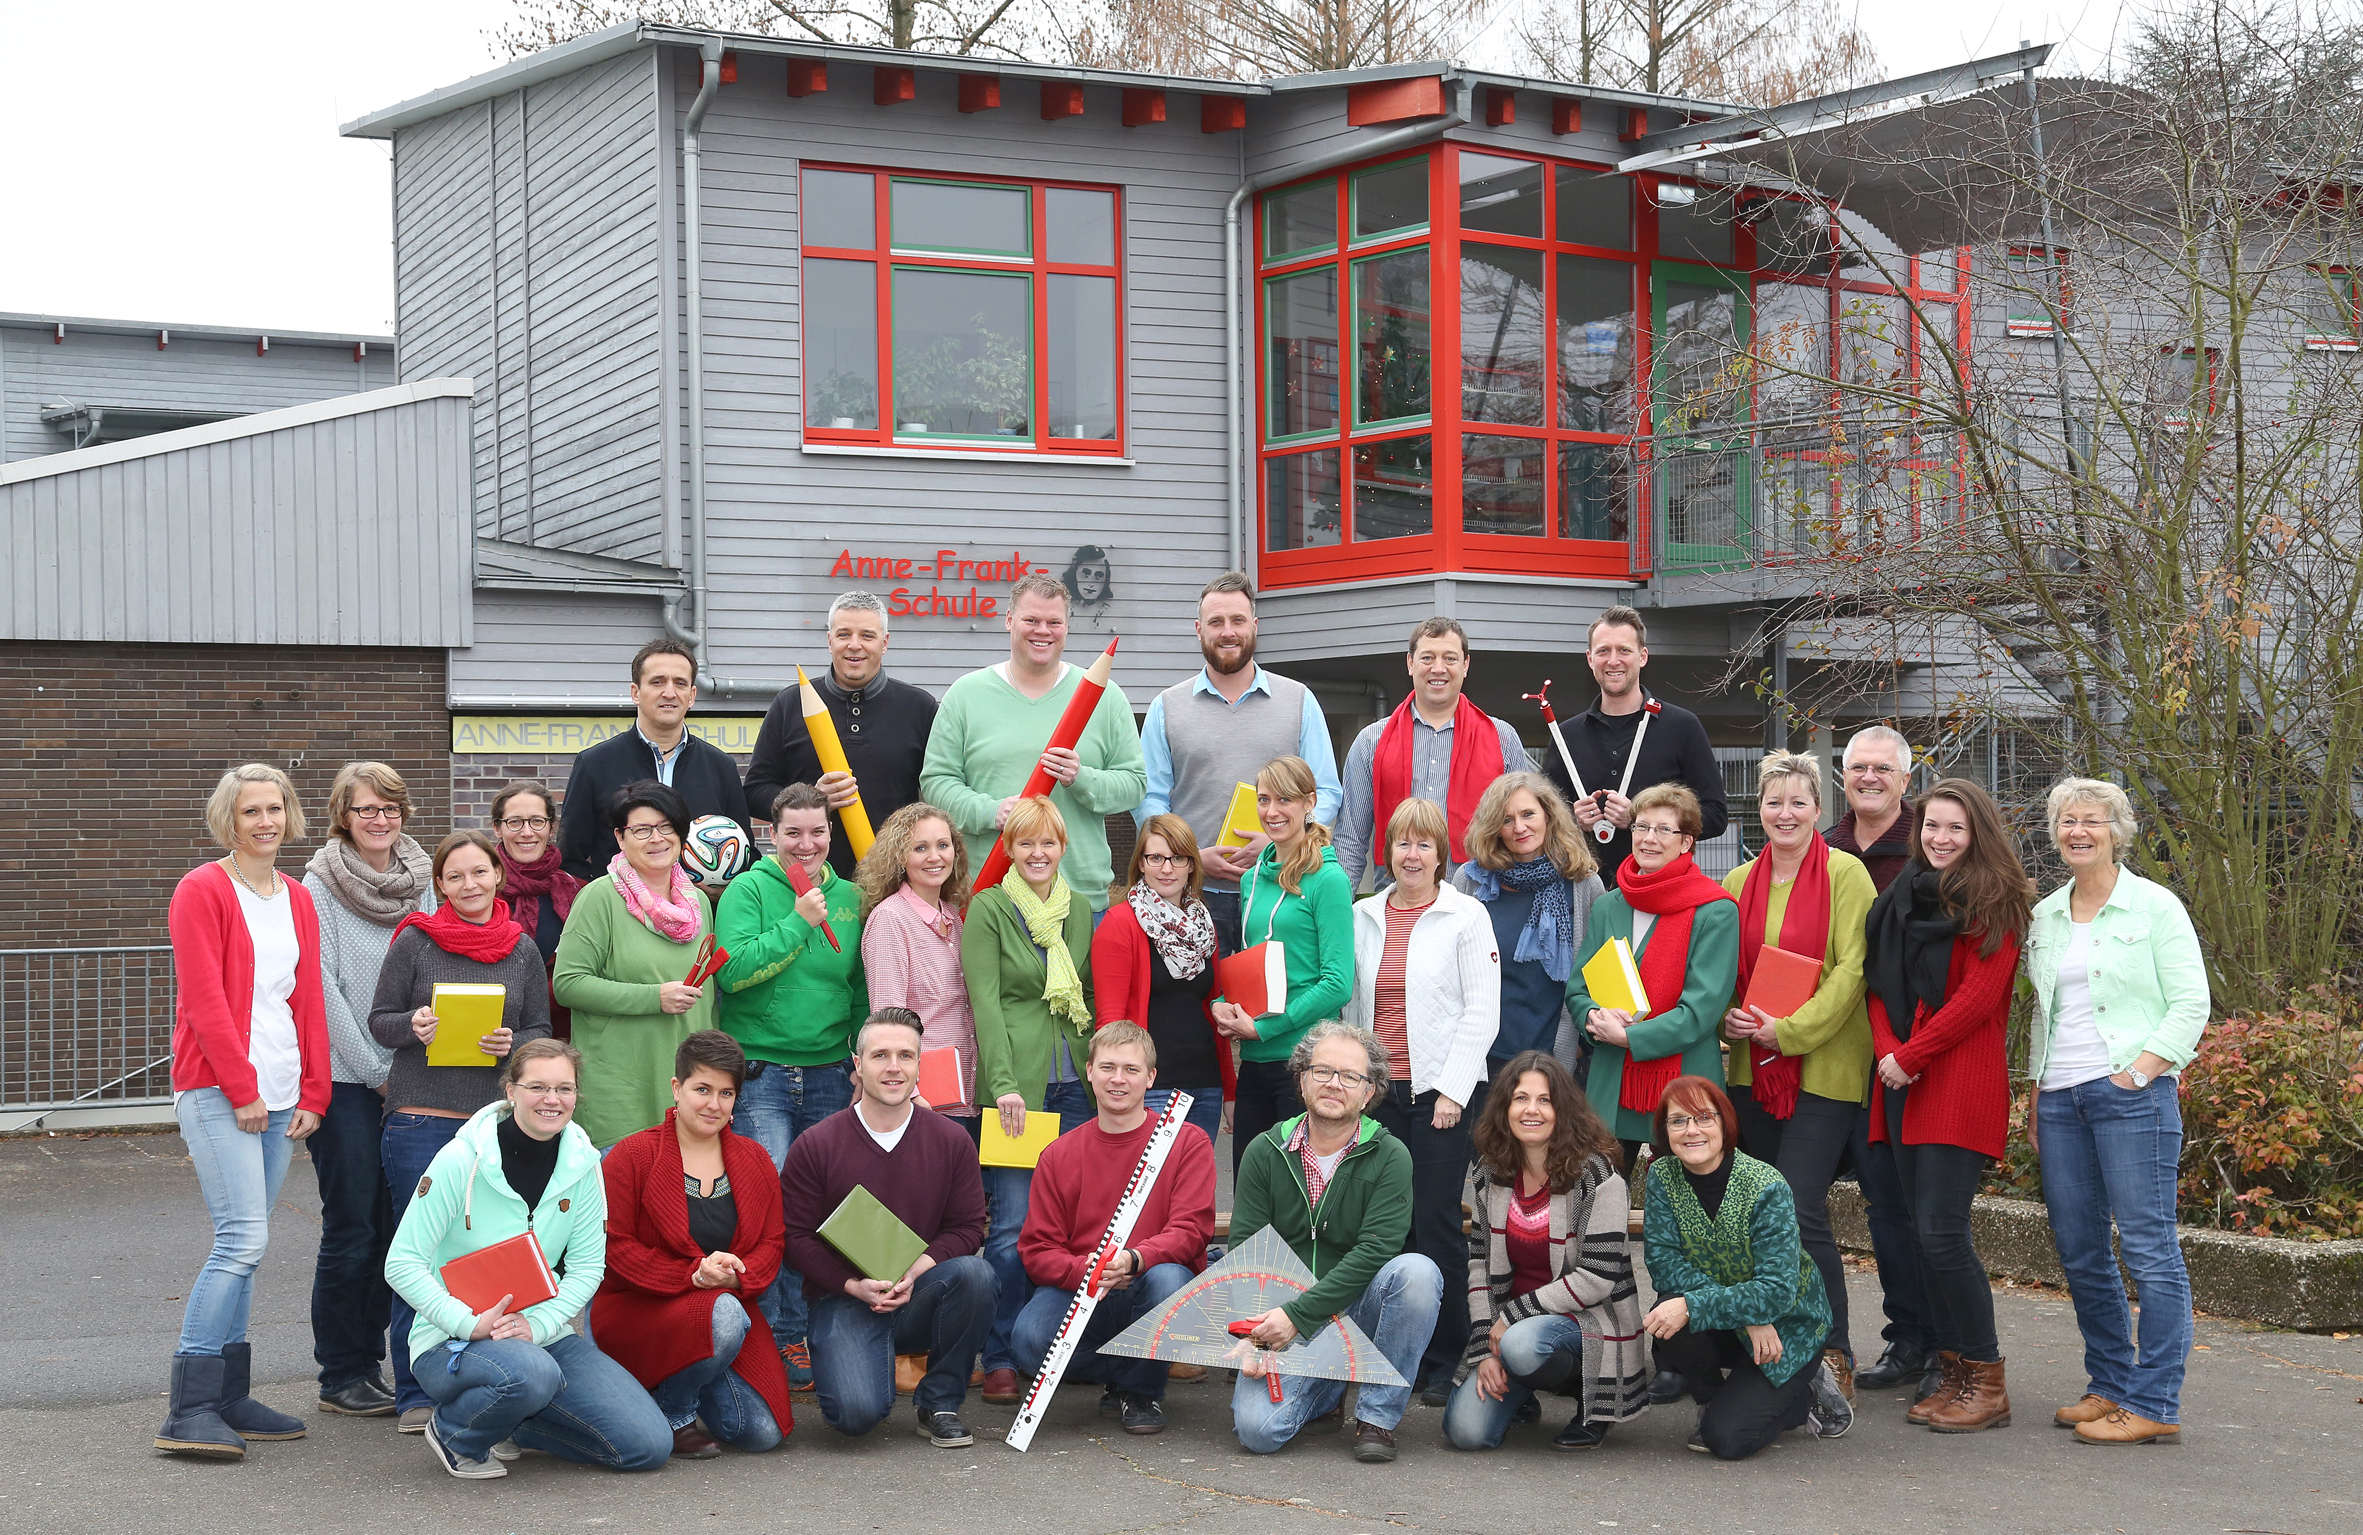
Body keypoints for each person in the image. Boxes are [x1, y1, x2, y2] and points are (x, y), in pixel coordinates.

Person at [383, 1038, 672, 1479]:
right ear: (511, 1090)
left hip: (542, 1333)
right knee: (532, 1374)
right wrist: (467, 1323)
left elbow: (589, 1266)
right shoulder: (460, 1160)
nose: (552, 1100)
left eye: (565, 1088)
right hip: (452, 1338)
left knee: (647, 1447)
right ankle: (457, 1432)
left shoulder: (584, 1164)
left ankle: (511, 1423)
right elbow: (402, 1263)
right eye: (538, 1087)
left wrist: (537, 1324)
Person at [2027, 777, 2208, 1446]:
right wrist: (2035, 1088)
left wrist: (2139, 1072)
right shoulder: (2045, 914)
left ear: (2117, 829)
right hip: (2060, 1098)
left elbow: (2190, 1002)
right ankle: (2108, 1383)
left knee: (2147, 1248)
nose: (2078, 830)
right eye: (2066, 820)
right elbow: (2045, 1012)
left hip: (2131, 1097)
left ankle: (2154, 1398)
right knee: (2078, 1249)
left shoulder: (2153, 907)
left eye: (2091, 820)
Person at [156, 765, 329, 1460]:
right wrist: (241, 1088)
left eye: (275, 808)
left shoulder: (295, 895)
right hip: (220, 1090)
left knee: (249, 1250)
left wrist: (313, 1090)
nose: (265, 820)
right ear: (228, 818)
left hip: (284, 1094)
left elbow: (306, 998)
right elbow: (202, 1001)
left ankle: (229, 1394)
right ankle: (189, 1405)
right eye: (250, 810)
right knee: (241, 1240)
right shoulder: (201, 888)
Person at [367, 830, 555, 1432]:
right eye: (455, 877)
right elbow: (380, 1020)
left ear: (497, 876)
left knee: (484, 1251)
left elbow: (540, 1027)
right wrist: (414, 1024)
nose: (469, 885)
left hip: (492, 1122)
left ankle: (484, 1373)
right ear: (439, 885)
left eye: (479, 873)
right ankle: (414, 1395)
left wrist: (513, 1043)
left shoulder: (521, 947)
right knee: (418, 1252)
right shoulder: (416, 941)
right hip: (422, 1116)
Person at [1864, 777, 2033, 1433]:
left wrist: (1911, 1054)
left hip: (1956, 1077)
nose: (1939, 838)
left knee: (1941, 1230)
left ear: (1977, 834)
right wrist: (1888, 1049)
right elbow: (1877, 983)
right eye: (1931, 825)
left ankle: (1986, 1378)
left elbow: (1977, 1001)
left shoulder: (1997, 903)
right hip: (1901, 1077)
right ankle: (1954, 1371)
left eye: (1954, 828)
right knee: (1917, 1230)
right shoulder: (1899, 897)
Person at [1718, 752, 1876, 1403]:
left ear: (1819, 809)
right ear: (1758, 809)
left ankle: (1832, 1346)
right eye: (1773, 802)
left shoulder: (1847, 874)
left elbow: (1851, 971)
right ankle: (1771, 1339)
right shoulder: (1734, 879)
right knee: (1756, 1211)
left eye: (1798, 802)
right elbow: (1722, 962)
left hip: (1821, 1067)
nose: (1784, 813)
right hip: (1747, 1069)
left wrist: (1788, 1031)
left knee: (1799, 1203)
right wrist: (1726, 1014)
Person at [1342, 796, 1499, 1403]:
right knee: (1385, 1224)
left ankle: (1444, 1353)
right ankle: (1388, 1342)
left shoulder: (1466, 916)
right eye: (1402, 843)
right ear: (1389, 851)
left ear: (1442, 854)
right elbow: (1354, 1007)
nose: (1412, 854)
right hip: (1377, 1095)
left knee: (1434, 1223)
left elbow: (1482, 1011)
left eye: (1424, 844)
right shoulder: (1363, 915)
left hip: (1440, 1094)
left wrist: (1453, 1091)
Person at [780, 1009, 997, 1446]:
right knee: (855, 1418)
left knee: (976, 1275)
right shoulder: (817, 1144)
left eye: (906, 1055)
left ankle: (938, 1402)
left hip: (921, 1292)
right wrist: (852, 1285)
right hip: (845, 1299)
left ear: (920, 1065)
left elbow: (969, 1226)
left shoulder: (951, 1140)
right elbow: (794, 1236)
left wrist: (916, 1272)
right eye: (880, 1055)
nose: (894, 1067)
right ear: (858, 1065)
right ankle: (864, 1363)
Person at [1228, 1022, 1441, 1462]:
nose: (1334, 1084)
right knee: (1258, 1432)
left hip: (1354, 1306)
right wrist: (1252, 1331)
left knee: (1417, 1274)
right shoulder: (1264, 1151)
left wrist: (1297, 1316)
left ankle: (1376, 1419)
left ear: (1369, 1092)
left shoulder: (1390, 1155)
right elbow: (1246, 1251)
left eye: (1350, 1076)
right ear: (1301, 1078)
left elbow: (1375, 1252)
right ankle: (1325, 1395)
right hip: (1283, 1315)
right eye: (1322, 1070)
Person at [715, 782, 869, 1387]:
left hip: (833, 1068)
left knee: (828, 1204)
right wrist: (800, 923)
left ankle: (818, 1329)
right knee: (769, 1201)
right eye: (793, 833)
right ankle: (776, 1335)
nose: (807, 845)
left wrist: (858, 1056)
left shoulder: (852, 896)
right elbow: (733, 972)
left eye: (818, 833)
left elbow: (858, 985)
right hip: (763, 1071)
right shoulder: (749, 889)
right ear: (770, 834)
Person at [300, 762, 432, 1420]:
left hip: (415, 1076)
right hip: (350, 1081)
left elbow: (437, 963)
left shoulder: (425, 877)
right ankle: (341, 1371)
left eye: (389, 808)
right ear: (342, 816)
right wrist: (376, 1069)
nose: (378, 820)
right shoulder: (319, 883)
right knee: (351, 1225)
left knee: (395, 1229)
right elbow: (322, 988)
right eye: (364, 810)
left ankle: (376, 1362)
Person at [1013, 1022, 1218, 1435]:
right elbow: (1037, 1250)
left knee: (1168, 1280)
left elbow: (1192, 1229)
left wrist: (1135, 1258)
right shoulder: (1059, 1154)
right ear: (1088, 1071)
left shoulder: (1186, 1141)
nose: (1118, 1080)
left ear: (1151, 1077)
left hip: (1149, 1281)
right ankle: (1130, 1371)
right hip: (1084, 1287)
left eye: (1131, 1069)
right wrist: (1083, 1269)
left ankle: (1140, 1391)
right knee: (1029, 1340)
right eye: (1107, 1067)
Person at [595, 1030, 791, 1457]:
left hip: (724, 1306)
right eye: (702, 1089)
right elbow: (615, 1248)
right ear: (676, 1088)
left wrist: (738, 1276)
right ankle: (674, 1411)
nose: (713, 1105)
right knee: (722, 1316)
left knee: (761, 1433)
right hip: (640, 1308)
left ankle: (686, 1375)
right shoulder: (631, 1156)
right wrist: (693, 1275)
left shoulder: (755, 1159)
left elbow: (772, 1242)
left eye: (726, 1093)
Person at [1443, 1051, 1649, 1451]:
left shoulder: (1597, 1176)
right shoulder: (1491, 1170)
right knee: (1466, 1433)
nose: (1531, 1110)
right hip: (1514, 1324)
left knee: (1523, 1346)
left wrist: (1512, 1318)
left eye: (1544, 1100)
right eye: (1521, 1099)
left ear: (1563, 1109)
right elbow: (1480, 1266)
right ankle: (1522, 1385)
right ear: (1505, 1108)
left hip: (1587, 1318)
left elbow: (1597, 1278)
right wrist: (1487, 1344)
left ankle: (1589, 1400)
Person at [963, 794, 1098, 1403]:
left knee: (1071, 1225)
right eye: (1025, 844)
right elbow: (984, 1004)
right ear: (1008, 850)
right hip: (1019, 1084)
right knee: (1013, 1224)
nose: (1038, 854)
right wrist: (1004, 1086)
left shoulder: (1081, 911)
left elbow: (1088, 992)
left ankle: (1054, 1344)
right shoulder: (988, 909)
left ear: (1061, 848)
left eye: (1048, 843)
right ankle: (997, 1355)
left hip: (1076, 1084)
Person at [1642, 1076, 1851, 1459]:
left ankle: (1804, 1393)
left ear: (1725, 1123)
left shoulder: (1765, 1185)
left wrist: (1695, 1306)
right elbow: (1664, 1263)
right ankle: (1710, 1400)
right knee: (1667, 1310)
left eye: (1704, 1117)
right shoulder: (1662, 1177)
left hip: (1787, 1326)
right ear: (1664, 1130)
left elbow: (1777, 1290)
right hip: (1749, 1322)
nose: (1691, 1130)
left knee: (1729, 1441)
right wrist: (1747, 1317)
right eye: (1678, 1121)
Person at [920, 570, 1145, 915]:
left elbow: (1134, 785)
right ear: (1009, 620)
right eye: (1031, 619)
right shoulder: (965, 695)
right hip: (991, 898)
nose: (1043, 631)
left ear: (1066, 626)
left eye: (1054, 622)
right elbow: (936, 784)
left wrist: (1081, 778)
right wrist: (991, 812)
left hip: (1079, 901)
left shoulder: (1107, 697)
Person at [1137, 572, 1341, 951]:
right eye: (1216, 622)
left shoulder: (1298, 700)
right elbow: (1150, 800)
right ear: (1199, 629)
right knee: (1197, 1008)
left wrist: (1284, 838)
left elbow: (1326, 793)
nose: (1227, 631)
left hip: (1282, 891)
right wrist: (1189, 857)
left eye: (1237, 620)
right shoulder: (1166, 707)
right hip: (1191, 895)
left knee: (1273, 1004)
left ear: (1255, 627)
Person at [1824, 723, 1934, 1399]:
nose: (1867, 776)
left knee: (1893, 1207)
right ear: (1841, 777)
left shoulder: (1929, 847)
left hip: (1895, 1059)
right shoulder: (1820, 847)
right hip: (1824, 1054)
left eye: (1880, 768)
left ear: (1904, 776)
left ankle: (1917, 1338)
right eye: (1856, 766)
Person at [1566, 783, 1739, 1158]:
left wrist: (1630, 1037)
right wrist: (1594, 1017)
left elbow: (1701, 1012)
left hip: (1685, 1085)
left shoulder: (1716, 910)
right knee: (1599, 1206)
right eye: (1642, 827)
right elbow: (1578, 988)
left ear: (1687, 842)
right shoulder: (1609, 904)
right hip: (1612, 1079)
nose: (1649, 839)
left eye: (1664, 830)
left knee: (1686, 1210)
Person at [553, 780, 718, 1149]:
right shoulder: (598, 898)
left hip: (686, 1097)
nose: (656, 838)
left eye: (666, 827)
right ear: (620, 837)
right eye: (641, 829)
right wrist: (654, 997)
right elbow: (568, 984)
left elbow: (706, 1004)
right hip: (621, 1098)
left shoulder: (699, 905)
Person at [1214, 755, 1356, 1168]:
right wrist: (1221, 1003)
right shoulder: (1249, 878)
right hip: (1255, 1063)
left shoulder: (1328, 880)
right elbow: (1252, 962)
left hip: (1305, 1061)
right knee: (1254, 1197)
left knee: (1299, 1202)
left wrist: (1264, 1027)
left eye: (1285, 800)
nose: (1271, 812)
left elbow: (1336, 982)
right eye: (1263, 800)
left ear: (1309, 802)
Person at [743, 591, 939, 880]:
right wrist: (811, 798)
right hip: (809, 880)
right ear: (829, 640)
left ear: (884, 643)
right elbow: (755, 792)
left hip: (895, 882)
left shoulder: (919, 707)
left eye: (867, 636)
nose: (854, 645)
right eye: (844, 634)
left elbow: (937, 793)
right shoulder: (790, 704)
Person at [1335, 617, 1532, 888]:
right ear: (1410, 663)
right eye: (1427, 657)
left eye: (1450, 658)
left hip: (1481, 905)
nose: (1438, 669)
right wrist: (1338, 912)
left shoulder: (1503, 739)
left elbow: (1522, 832)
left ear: (1465, 666)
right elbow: (1350, 840)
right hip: (1399, 906)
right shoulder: (1370, 742)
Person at [1544, 607, 1728, 882]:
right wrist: (1571, 820)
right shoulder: (1566, 735)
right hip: (1584, 892)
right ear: (1590, 659)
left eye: (1624, 651)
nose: (1613, 660)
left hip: (1661, 890)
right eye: (1604, 651)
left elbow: (1715, 815)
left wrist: (1640, 819)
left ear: (1642, 657)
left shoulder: (1682, 727)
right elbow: (1542, 821)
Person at [1092, 813, 1232, 1150]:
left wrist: (1229, 1089)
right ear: (1140, 863)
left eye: (1177, 857)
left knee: (1194, 1196)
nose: (1166, 868)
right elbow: (1110, 1021)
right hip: (1152, 1089)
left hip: (1205, 1085)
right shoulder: (1119, 923)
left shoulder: (1202, 924)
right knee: (1149, 1197)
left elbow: (1215, 1011)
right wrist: (1119, 1087)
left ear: (1191, 864)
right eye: (1156, 858)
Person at [558, 639, 751, 881]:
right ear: (635, 693)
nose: (669, 692)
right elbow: (570, 858)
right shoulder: (594, 764)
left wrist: (720, 893)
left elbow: (745, 853)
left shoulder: (721, 767)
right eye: (657, 682)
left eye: (680, 683)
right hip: (619, 914)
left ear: (691, 696)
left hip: (701, 914)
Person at [1453, 772, 1605, 1081]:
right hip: (1485, 1058)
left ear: (1548, 815)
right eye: (1507, 820)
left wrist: (1578, 1044)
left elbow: (1598, 972)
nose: (1519, 828)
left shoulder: (1583, 883)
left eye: (1528, 814)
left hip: (1558, 1057)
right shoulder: (1471, 882)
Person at [857, 801, 976, 1122]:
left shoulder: (953, 915)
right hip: (923, 1096)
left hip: (967, 1091)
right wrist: (913, 1096)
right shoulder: (890, 919)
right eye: (920, 848)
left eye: (943, 845)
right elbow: (887, 1021)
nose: (935, 857)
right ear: (899, 858)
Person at [488, 779, 580, 1040]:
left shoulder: (579, 892)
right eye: (515, 822)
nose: (527, 832)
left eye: (537, 821)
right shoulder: (480, 894)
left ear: (551, 827)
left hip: (563, 1039)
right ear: (497, 828)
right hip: (495, 1037)